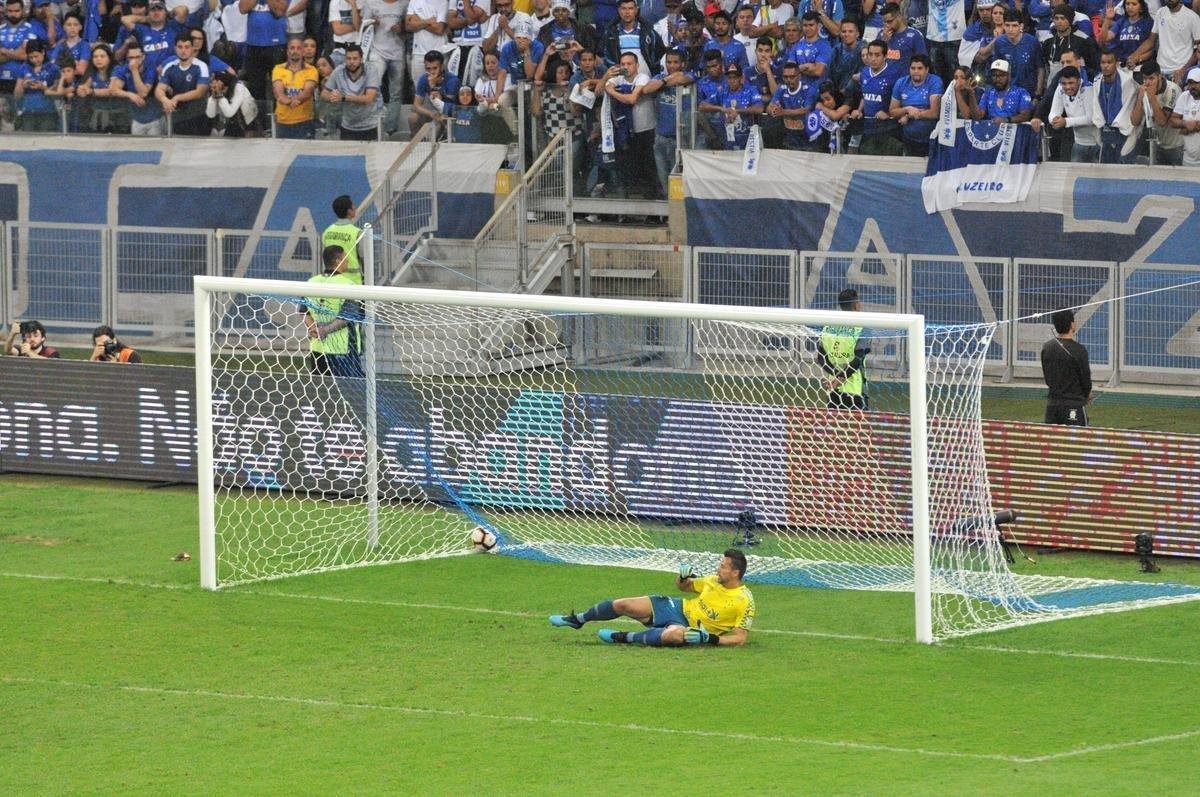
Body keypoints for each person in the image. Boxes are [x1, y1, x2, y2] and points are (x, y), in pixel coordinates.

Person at [548, 549, 755, 647]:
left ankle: (623, 637)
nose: (718, 569)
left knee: (674, 636)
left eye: (723, 567)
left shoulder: (744, 600)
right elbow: (684, 587)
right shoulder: (712, 580)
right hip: (677, 607)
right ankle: (578, 620)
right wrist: (682, 577)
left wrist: (710, 639)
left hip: (693, 630)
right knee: (623, 604)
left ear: (735, 573)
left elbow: (740, 639)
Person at [302, 244, 363, 377]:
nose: (347, 261)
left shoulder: (311, 282)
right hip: (342, 349)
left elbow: (304, 312)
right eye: (345, 258)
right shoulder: (348, 285)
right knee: (347, 391)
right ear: (337, 261)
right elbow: (346, 318)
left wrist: (315, 329)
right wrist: (324, 331)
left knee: (321, 391)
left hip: (317, 348)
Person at [817, 287, 869, 410]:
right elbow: (858, 359)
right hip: (855, 389)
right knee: (859, 427)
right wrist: (842, 378)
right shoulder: (860, 327)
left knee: (835, 426)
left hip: (833, 387)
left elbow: (821, 358)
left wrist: (836, 376)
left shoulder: (828, 327)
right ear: (856, 305)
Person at [1040, 308, 1093, 427]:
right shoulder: (1079, 350)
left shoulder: (1047, 347)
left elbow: (1048, 378)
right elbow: (1085, 379)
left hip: (1052, 406)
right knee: (1078, 441)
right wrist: (1087, 394)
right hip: (1074, 406)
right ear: (1072, 324)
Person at [320, 42, 383, 139]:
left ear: (361, 59)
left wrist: (344, 97)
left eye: (355, 58)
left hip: (370, 125)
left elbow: (369, 98)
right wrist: (333, 97)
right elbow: (324, 94)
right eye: (348, 59)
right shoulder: (338, 71)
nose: (351, 62)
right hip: (347, 125)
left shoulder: (371, 70)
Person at [155, 31, 211, 135]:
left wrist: (177, 98)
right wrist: (165, 100)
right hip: (178, 118)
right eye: (180, 47)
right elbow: (159, 89)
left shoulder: (201, 66)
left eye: (187, 47)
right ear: (175, 48)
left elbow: (199, 92)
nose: (183, 50)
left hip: (198, 117)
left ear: (192, 48)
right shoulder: (169, 67)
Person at [889, 52, 942, 156]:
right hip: (908, 138)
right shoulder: (901, 83)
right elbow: (892, 111)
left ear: (927, 70)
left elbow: (934, 113)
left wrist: (908, 116)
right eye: (913, 68)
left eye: (920, 68)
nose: (916, 71)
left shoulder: (935, 81)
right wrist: (907, 109)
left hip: (931, 138)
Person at [1131, 60, 1184, 166]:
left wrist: (1152, 98)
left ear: (1159, 76)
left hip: (1176, 146)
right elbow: (1135, 121)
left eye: (1151, 78)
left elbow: (1162, 121)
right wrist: (1140, 99)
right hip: (1157, 145)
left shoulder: (1172, 90)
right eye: (1145, 78)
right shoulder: (1142, 89)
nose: (1147, 82)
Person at [271, 34, 319, 138]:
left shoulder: (311, 70)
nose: (295, 51)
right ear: (287, 51)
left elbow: (307, 92)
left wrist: (291, 100)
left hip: (304, 121)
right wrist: (289, 101)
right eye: (292, 48)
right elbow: (278, 92)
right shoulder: (278, 69)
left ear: (303, 51)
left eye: (298, 48)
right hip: (282, 121)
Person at [1049, 65, 1098, 161]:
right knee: (1075, 175)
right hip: (1078, 142)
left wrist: (1066, 122)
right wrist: (1054, 120)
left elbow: (1090, 118)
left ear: (1079, 81)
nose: (1067, 87)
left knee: (1098, 176)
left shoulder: (1088, 88)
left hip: (1096, 143)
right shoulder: (1060, 89)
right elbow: (1053, 112)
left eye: (1071, 83)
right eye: (1064, 83)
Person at [207, 70, 261, 135]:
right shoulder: (217, 89)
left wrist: (220, 96)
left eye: (215, 82)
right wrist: (213, 97)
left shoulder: (239, 88)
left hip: (247, 124)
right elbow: (210, 114)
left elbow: (230, 112)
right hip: (231, 123)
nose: (212, 85)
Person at [1169, 66, 1200, 167]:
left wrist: (1187, 129)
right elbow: (1173, 120)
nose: (1192, 86)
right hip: (1188, 159)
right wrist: (1185, 124)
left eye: (1195, 83)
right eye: (1190, 83)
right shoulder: (1185, 96)